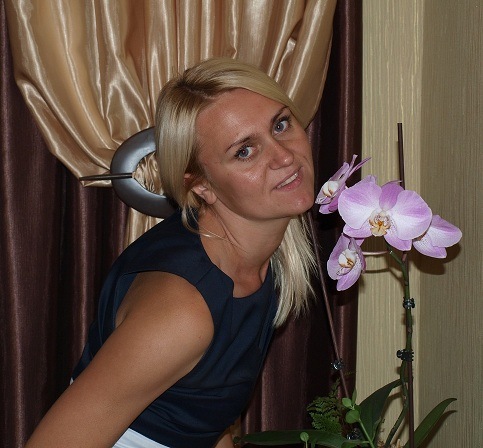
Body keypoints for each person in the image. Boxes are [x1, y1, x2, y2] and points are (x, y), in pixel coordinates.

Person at [25, 58, 316, 448]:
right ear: (201, 186)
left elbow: (206, 418)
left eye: (280, 125)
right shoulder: (183, 310)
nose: (284, 157)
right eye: (244, 151)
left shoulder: (262, 257)